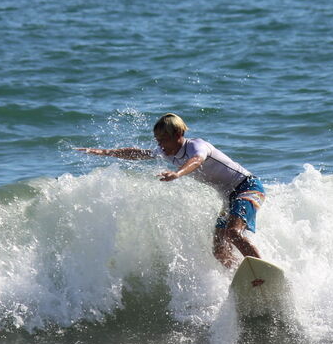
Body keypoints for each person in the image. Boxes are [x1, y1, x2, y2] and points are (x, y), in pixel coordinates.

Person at [75, 113, 265, 268]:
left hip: (247, 187)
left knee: (232, 233)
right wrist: (106, 152)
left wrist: (178, 174)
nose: (160, 145)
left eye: (163, 139)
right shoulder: (167, 152)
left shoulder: (196, 145)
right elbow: (138, 153)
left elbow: (197, 160)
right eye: (158, 140)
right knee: (219, 250)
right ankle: (241, 274)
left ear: (178, 134)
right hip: (228, 197)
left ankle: (261, 271)